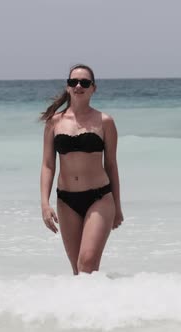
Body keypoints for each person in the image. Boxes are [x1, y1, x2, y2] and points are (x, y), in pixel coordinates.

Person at [40, 64, 123, 275]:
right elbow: (48, 165)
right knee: (78, 271)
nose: (78, 86)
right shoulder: (54, 122)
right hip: (66, 201)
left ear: (93, 88)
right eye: (73, 82)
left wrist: (118, 207)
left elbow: (111, 165)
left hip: (100, 198)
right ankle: (87, 307)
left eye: (84, 82)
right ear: (68, 87)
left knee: (87, 264)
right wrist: (44, 204)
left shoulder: (105, 122)